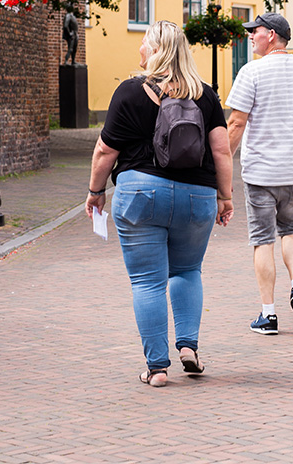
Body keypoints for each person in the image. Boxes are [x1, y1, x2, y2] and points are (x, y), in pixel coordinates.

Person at [86, 20, 234, 387]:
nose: (139, 49)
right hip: (197, 196)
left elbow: (106, 149)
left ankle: (157, 368)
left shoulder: (129, 92)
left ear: (154, 50)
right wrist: (225, 196)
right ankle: (188, 347)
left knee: (147, 282)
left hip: (141, 194)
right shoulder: (207, 95)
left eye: (144, 44)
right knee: (187, 271)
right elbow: (222, 151)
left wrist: (95, 191)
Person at [226, 12, 293, 335]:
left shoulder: (251, 72)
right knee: (291, 229)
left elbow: (236, 123)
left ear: (271, 35)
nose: (250, 37)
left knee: (262, 240)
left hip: (260, 172)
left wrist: (221, 166)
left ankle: (268, 314)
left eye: (254, 32)